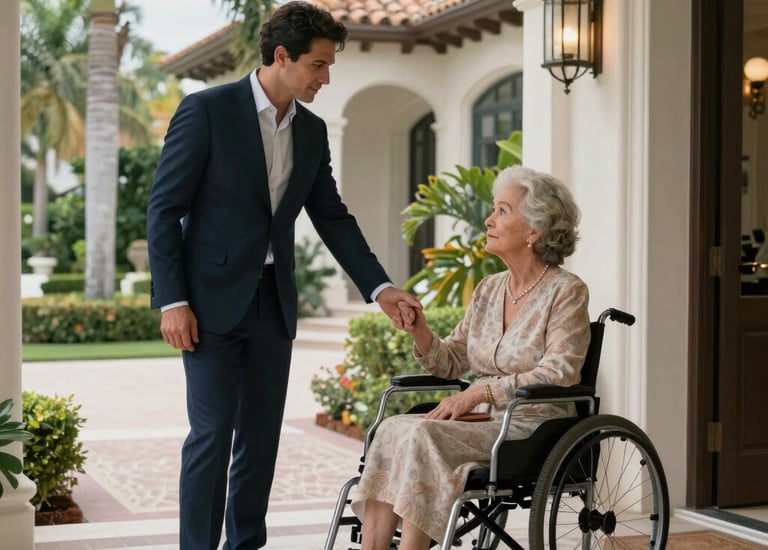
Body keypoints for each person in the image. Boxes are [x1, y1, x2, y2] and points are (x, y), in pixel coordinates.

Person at [145, 3, 420, 549]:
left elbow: (333, 218)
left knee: (260, 438)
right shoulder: (206, 111)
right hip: (208, 304)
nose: (326, 77)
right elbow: (162, 208)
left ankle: (245, 544)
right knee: (212, 434)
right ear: (281, 56)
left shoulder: (312, 132)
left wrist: (381, 287)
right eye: (318, 65)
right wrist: (172, 299)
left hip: (273, 303)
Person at [350, 165, 592, 550]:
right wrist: (420, 330)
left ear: (535, 230)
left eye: (502, 210)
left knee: (424, 435)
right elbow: (449, 362)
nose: (488, 219)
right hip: (480, 420)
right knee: (394, 427)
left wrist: (481, 394)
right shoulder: (488, 289)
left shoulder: (566, 291)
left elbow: (560, 370)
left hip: (529, 424)